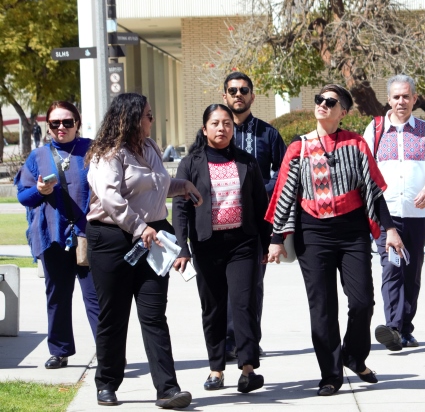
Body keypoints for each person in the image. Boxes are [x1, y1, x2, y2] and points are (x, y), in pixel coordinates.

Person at [266, 84, 404, 397]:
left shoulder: (356, 144)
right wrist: (276, 238)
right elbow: (285, 196)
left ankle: (354, 355)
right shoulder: (297, 148)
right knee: (323, 308)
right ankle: (330, 373)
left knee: (362, 301)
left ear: (343, 111)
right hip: (312, 234)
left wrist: (390, 229)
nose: (323, 105)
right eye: (319, 100)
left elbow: (374, 189)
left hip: (351, 231)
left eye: (331, 102)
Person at [85, 93, 203, 407]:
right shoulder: (107, 154)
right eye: (149, 115)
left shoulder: (149, 148)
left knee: (153, 315)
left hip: (153, 238)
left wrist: (182, 186)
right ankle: (107, 383)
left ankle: (167, 389)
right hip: (111, 240)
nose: (153, 118)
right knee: (114, 315)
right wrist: (139, 228)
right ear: (133, 118)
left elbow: (155, 185)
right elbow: (110, 197)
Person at [173, 104, 271, 393]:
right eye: (215, 123)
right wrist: (182, 248)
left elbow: (260, 206)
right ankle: (216, 369)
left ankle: (248, 369)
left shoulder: (247, 162)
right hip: (206, 245)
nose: (221, 128)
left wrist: (267, 244)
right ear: (205, 129)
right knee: (213, 308)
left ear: (233, 128)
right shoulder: (190, 163)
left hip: (242, 244)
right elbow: (180, 209)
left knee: (243, 305)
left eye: (227, 123)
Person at [15, 101, 99, 370]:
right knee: (57, 297)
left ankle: (108, 352)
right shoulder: (37, 156)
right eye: (55, 123)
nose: (61, 127)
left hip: (89, 237)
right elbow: (23, 197)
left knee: (96, 298)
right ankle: (59, 351)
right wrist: (41, 191)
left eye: (67, 122)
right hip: (52, 237)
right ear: (48, 126)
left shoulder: (93, 150)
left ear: (78, 122)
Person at [362, 75, 425, 351]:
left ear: (414, 99)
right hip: (386, 216)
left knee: (412, 271)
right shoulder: (374, 130)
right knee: (391, 268)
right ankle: (394, 328)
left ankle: (405, 328)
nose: (401, 101)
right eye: (396, 97)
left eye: (406, 96)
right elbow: (366, 172)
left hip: (417, 215)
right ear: (389, 99)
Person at [221, 71, 287, 359]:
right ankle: (226, 341)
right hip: (219, 221)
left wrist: (258, 188)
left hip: (257, 223)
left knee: (251, 285)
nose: (238, 94)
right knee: (221, 285)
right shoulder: (215, 131)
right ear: (225, 96)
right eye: (233, 90)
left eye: (244, 90)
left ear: (252, 96)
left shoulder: (268, 133)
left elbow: (284, 173)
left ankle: (249, 340)